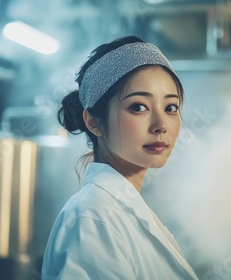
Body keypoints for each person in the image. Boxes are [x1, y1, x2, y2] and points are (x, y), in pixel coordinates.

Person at [41, 36, 199, 280]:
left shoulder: (117, 210)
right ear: (94, 121)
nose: (161, 125)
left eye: (171, 108)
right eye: (138, 107)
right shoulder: (92, 218)